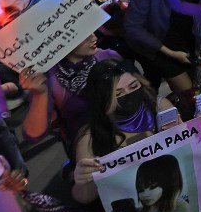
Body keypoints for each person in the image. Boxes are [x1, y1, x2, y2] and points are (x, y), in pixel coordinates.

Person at [71, 60, 180, 204]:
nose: (128, 94)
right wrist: (84, 180)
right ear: (102, 99)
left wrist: (194, 132)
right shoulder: (90, 137)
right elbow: (84, 197)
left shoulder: (160, 108)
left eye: (133, 86)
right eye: (118, 93)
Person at [124, 0, 201, 117]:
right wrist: (171, 53)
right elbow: (133, 28)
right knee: (192, 100)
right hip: (164, 48)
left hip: (192, 43)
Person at [21, 33, 121, 161]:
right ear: (60, 41)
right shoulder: (48, 79)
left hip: (127, 137)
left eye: (92, 31)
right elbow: (33, 134)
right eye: (84, 35)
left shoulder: (108, 56)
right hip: (91, 152)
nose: (94, 38)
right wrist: (39, 95)